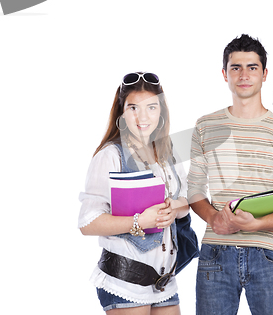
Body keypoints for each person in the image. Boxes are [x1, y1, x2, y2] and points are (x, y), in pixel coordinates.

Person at [187, 35, 273, 315]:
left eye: (252, 67)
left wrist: (258, 224)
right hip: (215, 253)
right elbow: (194, 190)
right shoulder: (205, 126)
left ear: (265, 74)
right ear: (224, 74)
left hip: (269, 255)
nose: (244, 75)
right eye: (236, 68)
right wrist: (214, 218)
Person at [78, 72, 192, 315]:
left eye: (151, 107)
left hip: (165, 282)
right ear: (122, 112)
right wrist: (139, 221)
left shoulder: (167, 152)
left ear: (161, 111)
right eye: (133, 108)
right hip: (126, 280)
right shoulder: (110, 156)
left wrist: (174, 209)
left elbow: (186, 200)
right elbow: (88, 223)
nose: (142, 117)